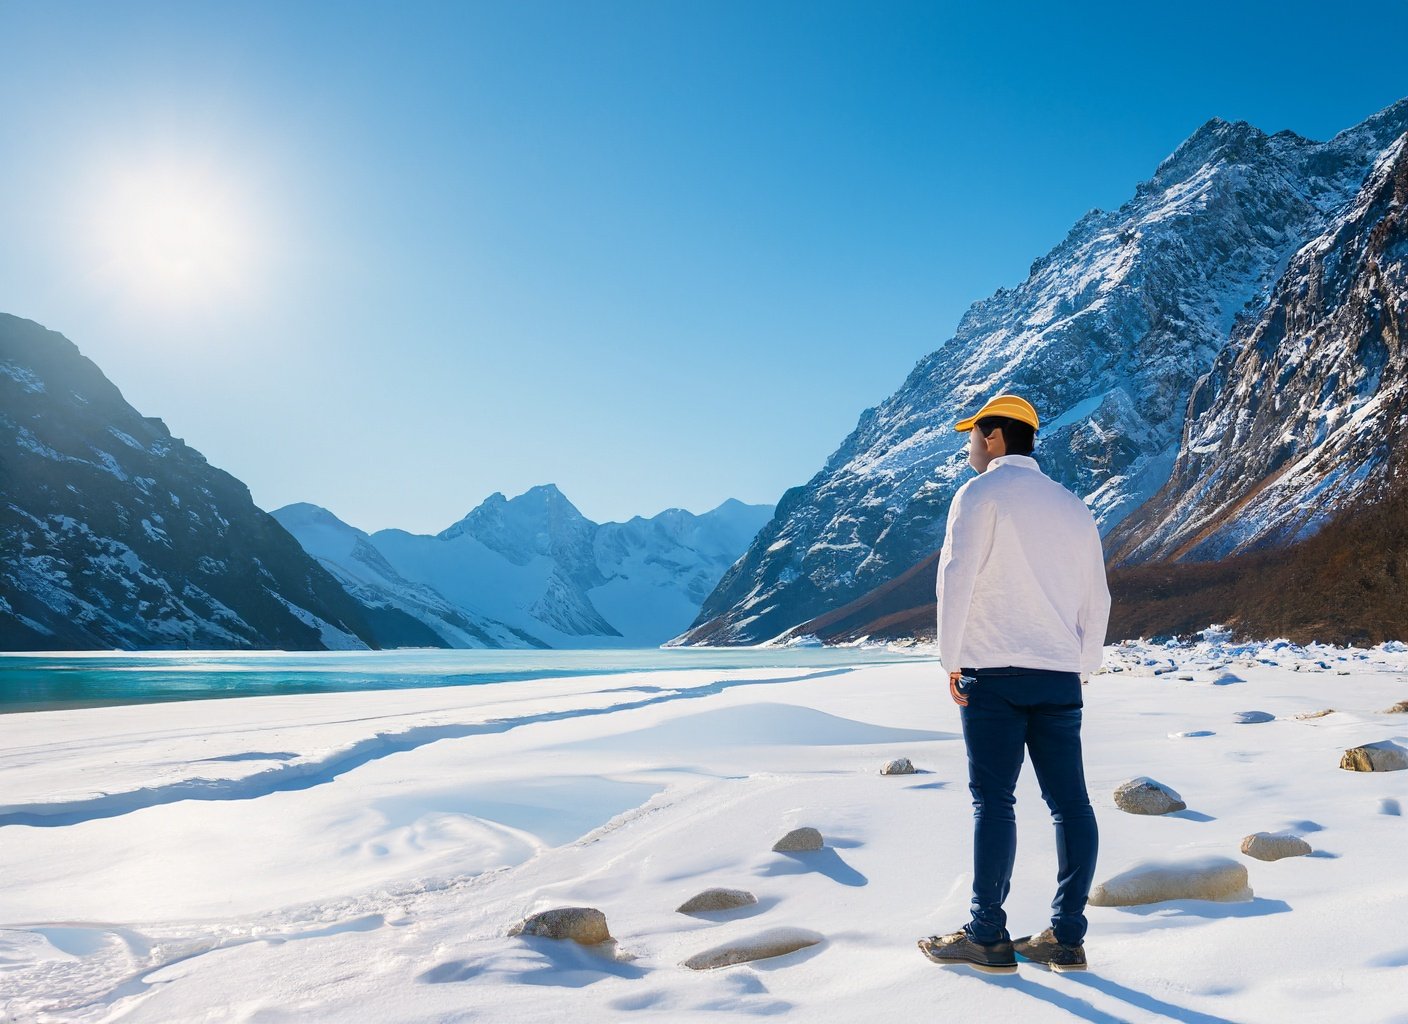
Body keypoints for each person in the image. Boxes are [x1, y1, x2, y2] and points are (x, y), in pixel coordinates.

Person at [917, 392, 1111, 975]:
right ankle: (1067, 938)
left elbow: (956, 577)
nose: (969, 446)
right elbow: (1097, 596)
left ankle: (987, 935)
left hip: (992, 672)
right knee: (1070, 804)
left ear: (995, 436)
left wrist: (950, 660)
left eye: (972, 435)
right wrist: (1083, 665)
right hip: (1058, 675)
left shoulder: (978, 494)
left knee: (995, 801)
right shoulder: (1073, 505)